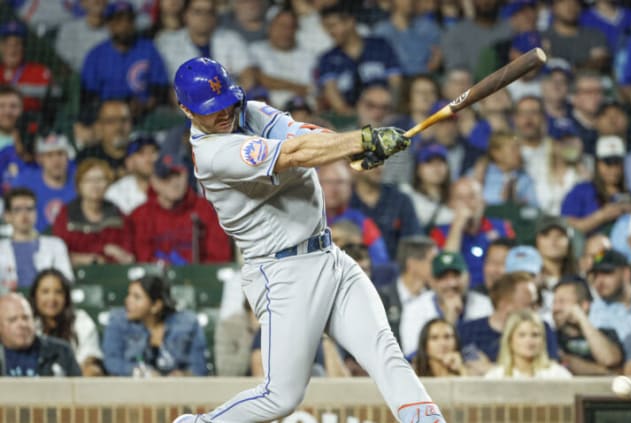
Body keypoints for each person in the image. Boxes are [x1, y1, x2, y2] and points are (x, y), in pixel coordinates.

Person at [170, 57, 446, 422]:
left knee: (385, 352)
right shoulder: (212, 154)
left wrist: (355, 148)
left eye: (226, 103)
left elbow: (308, 138)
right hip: (281, 272)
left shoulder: (252, 112)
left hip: (329, 255)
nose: (223, 113)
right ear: (186, 109)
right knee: (280, 397)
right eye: (211, 109)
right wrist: (363, 138)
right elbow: (294, 154)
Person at [128, 154, 231, 264]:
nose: (174, 182)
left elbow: (219, 260)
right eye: (166, 176)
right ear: (154, 181)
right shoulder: (139, 216)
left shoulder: (206, 210)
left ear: (187, 175)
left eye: (178, 175)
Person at [102, 275, 208, 377]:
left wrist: (184, 375)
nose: (127, 301)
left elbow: (198, 367)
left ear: (156, 306)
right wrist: (143, 373)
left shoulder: (188, 323)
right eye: (128, 295)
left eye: (136, 297)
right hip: (133, 389)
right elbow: (112, 362)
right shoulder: (118, 322)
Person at [80, 1, 170, 119]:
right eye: (118, 20)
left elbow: (161, 89)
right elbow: (88, 96)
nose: (124, 25)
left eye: (129, 20)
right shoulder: (96, 55)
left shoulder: (148, 49)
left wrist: (145, 105)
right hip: (107, 117)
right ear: (109, 24)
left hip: (145, 116)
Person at [458, 271, 559, 376]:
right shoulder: (466, 331)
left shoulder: (541, 329)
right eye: (530, 305)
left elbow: (550, 372)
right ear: (505, 305)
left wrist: (491, 371)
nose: (535, 310)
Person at [400, 251, 493, 358]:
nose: (451, 284)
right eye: (443, 278)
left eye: (456, 276)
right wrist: (449, 322)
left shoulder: (483, 304)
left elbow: (488, 352)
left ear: (467, 277)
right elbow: (413, 357)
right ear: (432, 282)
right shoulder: (415, 309)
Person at [317, 3, 402, 115]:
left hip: (387, 112)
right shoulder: (327, 59)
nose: (330, 32)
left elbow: (396, 83)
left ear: (350, 22)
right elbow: (334, 96)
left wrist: (390, 109)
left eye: (333, 26)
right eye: (327, 27)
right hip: (352, 120)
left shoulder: (380, 46)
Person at [430, 177, 516, 287]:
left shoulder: (502, 227)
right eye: (460, 198)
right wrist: (458, 225)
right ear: (451, 204)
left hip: (498, 289)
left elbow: (513, 264)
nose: (467, 203)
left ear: (483, 201)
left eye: (472, 196)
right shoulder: (439, 233)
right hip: (460, 291)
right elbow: (447, 265)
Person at [155, 0, 254, 89]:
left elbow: (248, 76)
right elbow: (170, 87)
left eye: (210, 12)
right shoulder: (167, 43)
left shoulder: (231, 38)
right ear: (185, 16)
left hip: (230, 103)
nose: (204, 17)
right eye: (198, 12)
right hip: (186, 105)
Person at [52, 159, 134, 266]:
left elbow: (128, 256)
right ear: (79, 185)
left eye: (100, 179)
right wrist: (100, 253)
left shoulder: (118, 215)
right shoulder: (66, 215)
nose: (95, 185)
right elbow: (58, 255)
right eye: (89, 180)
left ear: (108, 184)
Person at [29, 269, 104, 376]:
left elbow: (89, 361)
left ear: (66, 297)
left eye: (58, 292)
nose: (52, 298)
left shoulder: (81, 321)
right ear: (35, 296)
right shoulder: (27, 323)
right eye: (45, 292)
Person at [0, 189, 73, 292]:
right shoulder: (1, 249)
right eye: (17, 210)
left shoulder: (55, 245)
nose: (24, 215)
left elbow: (66, 281)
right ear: (7, 216)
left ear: (36, 213)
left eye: (29, 209)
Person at [561, 135, 631, 235]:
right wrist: (601, 216)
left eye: (617, 163)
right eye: (608, 163)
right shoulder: (581, 191)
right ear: (597, 164)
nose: (613, 169)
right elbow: (566, 227)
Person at [552, 276, 623, 375]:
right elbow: (564, 363)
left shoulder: (606, 334)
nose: (555, 308)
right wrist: (606, 372)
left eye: (562, 301)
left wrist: (581, 318)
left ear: (584, 306)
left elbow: (609, 360)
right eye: (554, 302)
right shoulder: (551, 336)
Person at [247, 9, 317, 109]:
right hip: (269, 112)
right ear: (269, 27)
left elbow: (313, 89)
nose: (286, 31)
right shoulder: (255, 50)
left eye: (291, 27)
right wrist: (296, 87)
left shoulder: (308, 56)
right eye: (281, 26)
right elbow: (259, 78)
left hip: (304, 111)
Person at [0, 293, 81, 377]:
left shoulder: (61, 352)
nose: (22, 324)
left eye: (26, 317)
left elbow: (80, 388)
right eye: (13, 320)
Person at [588, 250, 631, 341]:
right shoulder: (595, 312)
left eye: (607, 273)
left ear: (626, 274)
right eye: (595, 275)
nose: (599, 281)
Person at [378, 236, 437, 346]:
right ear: (412, 264)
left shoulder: (435, 296)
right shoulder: (382, 298)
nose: (438, 266)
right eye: (433, 261)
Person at [12, 134, 77, 232]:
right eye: (49, 155)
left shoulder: (80, 181)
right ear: (39, 158)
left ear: (68, 156)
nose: (56, 160)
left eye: (60, 154)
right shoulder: (24, 183)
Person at [485, 309, 572, 380]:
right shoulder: (496, 377)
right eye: (522, 335)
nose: (529, 341)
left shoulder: (557, 375)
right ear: (510, 340)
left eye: (535, 335)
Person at [469, 131, 539, 208]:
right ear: (496, 153)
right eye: (514, 149)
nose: (519, 153)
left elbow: (534, 209)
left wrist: (516, 203)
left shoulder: (524, 179)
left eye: (519, 149)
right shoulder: (478, 174)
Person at [0, 20, 54, 114]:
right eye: (7, 44)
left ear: (24, 47)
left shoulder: (38, 72)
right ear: (1, 47)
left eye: (17, 44)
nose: (12, 49)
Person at [541, 0, 609, 71]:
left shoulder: (594, 35)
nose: (571, 5)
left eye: (576, 1)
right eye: (563, 1)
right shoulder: (541, 37)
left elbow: (600, 61)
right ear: (552, 7)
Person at [399, 143, 453, 232]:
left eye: (441, 162)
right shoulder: (406, 192)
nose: (436, 167)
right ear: (418, 169)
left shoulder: (454, 195)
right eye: (430, 162)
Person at [104, 134, 159, 215]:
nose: (150, 158)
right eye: (142, 153)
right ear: (129, 162)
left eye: (154, 151)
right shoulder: (116, 193)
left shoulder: (172, 187)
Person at [76, 100, 134, 174]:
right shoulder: (86, 158)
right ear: (99, 126)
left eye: (124, 120)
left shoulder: (141, 153)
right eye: (111, 121)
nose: (119, 127)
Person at [55, 0, 110, 73]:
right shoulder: (69, 29)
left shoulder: (116, 30)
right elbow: (62, 62)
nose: (98, 1)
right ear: (83, 3)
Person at [214, 300, 259, 377]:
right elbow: (226, 372)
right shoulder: (229, 325)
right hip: (239, 385)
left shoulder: (280, 325)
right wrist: (254, 335)